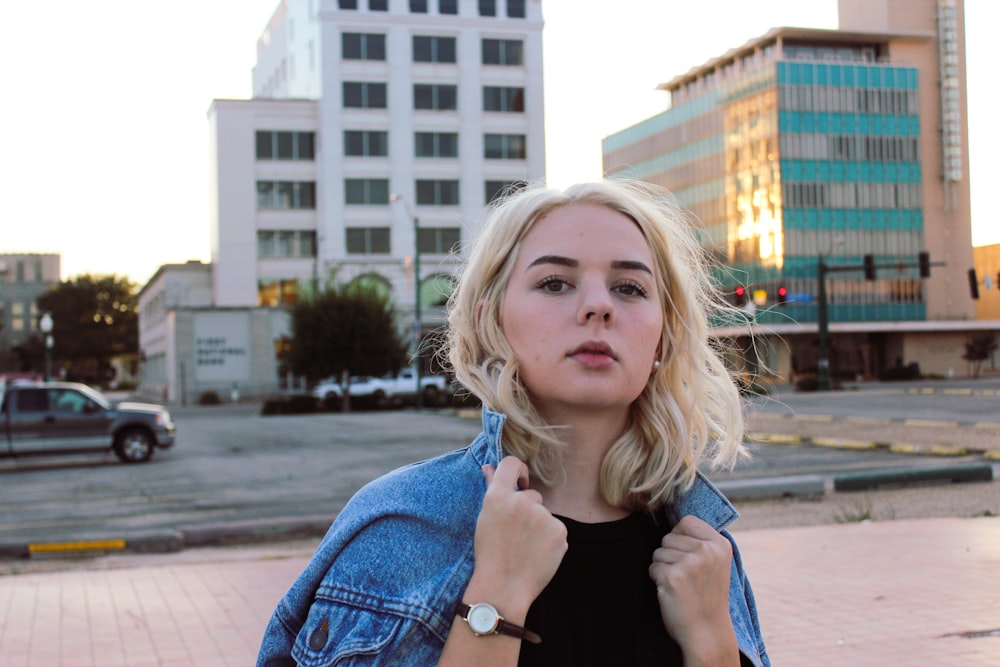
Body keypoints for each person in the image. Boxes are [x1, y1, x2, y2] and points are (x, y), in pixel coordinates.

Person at [257, 180, 769, 667]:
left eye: (630, 288)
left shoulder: (704, 549)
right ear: (490, 320)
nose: (598, 306)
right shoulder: (398, 527)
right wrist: (496, 595)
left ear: (662, 335)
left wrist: (713, 646)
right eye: (554, 283)